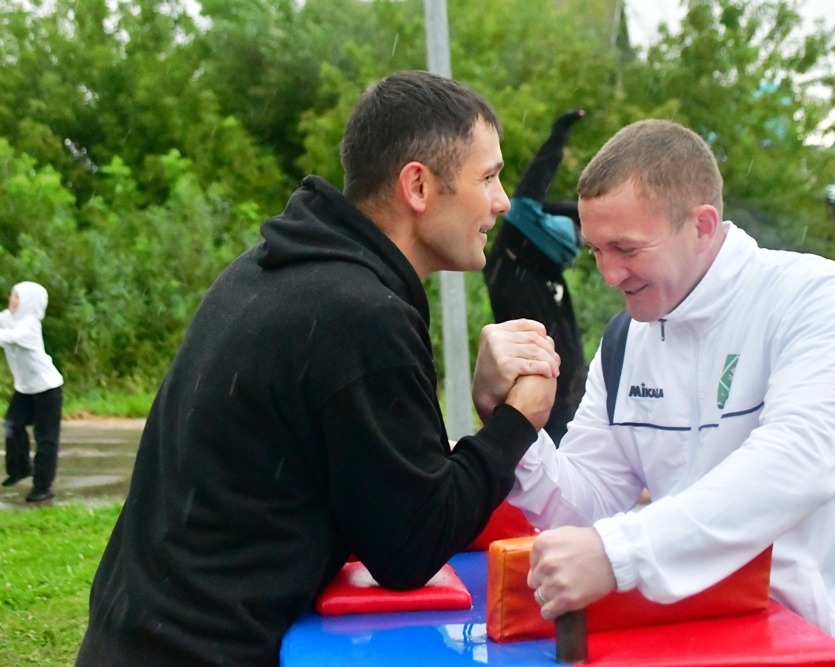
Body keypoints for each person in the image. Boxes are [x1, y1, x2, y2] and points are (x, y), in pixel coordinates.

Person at [76, 70, 559, 667]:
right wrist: (516, 421)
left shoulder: (275, 269)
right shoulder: (360, 315)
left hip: (133, 636)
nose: (502, 201)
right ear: (417, 185)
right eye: (488, 177)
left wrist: (480, 432)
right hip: (205, 650)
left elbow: (384, 493)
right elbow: (411, 547)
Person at [497, 119, 835, 666]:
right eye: (596, 251)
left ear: (702, 226)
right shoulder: (625, 341)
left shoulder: (818, 298)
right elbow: (582, 508)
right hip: (712, 647)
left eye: (626, 248)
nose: (610, 274)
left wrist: (621, 552)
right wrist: (510, 422)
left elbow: (797, 461)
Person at [484, 109, 587, 444]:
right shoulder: (515, 252)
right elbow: (533, 187)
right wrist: (558, 135)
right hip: (544, 415)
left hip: (566, 409)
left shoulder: (539, 268)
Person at [0, 281, 64, 502]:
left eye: (17, 297)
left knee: (45, 439)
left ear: (29, 302)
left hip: (47, 389)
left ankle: (43, 487)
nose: (12, 300)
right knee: (11, 425)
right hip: (25, 389)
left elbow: (6, 337)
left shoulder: (29, 326)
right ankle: (20, 469)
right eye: (12, 295)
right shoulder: (9, 318)